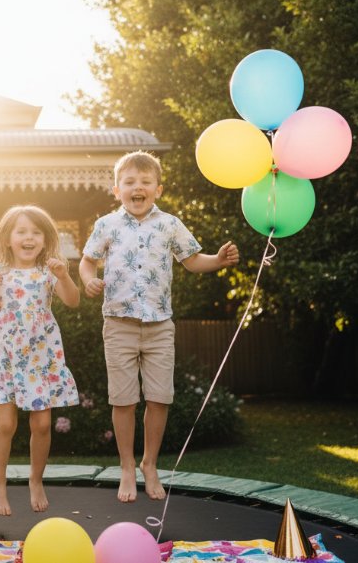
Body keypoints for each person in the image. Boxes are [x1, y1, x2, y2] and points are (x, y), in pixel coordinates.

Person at [79, 151, 239, 503]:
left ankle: (149, 464)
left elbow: (193, 260)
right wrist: (89, 280)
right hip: (119, 324)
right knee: (123, 401)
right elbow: (88, 262)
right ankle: (125, 466)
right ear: (116, 189)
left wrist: (218, 260)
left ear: (158, 189)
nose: (138, 188)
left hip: (159, 325)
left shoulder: (170, 224)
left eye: (145, 182)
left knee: (159, 398)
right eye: (130, 182)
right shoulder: (106, 225)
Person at [0, 205, 81, 516]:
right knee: (6, 423)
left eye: (36, 232)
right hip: (4, 355)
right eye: (21, 231)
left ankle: (36, 480)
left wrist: (64, 275)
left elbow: (72, 301)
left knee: (43, 424)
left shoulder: (50, 270)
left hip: (40, 356)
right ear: (8, 238)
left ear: (45, 239)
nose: (29, 238)